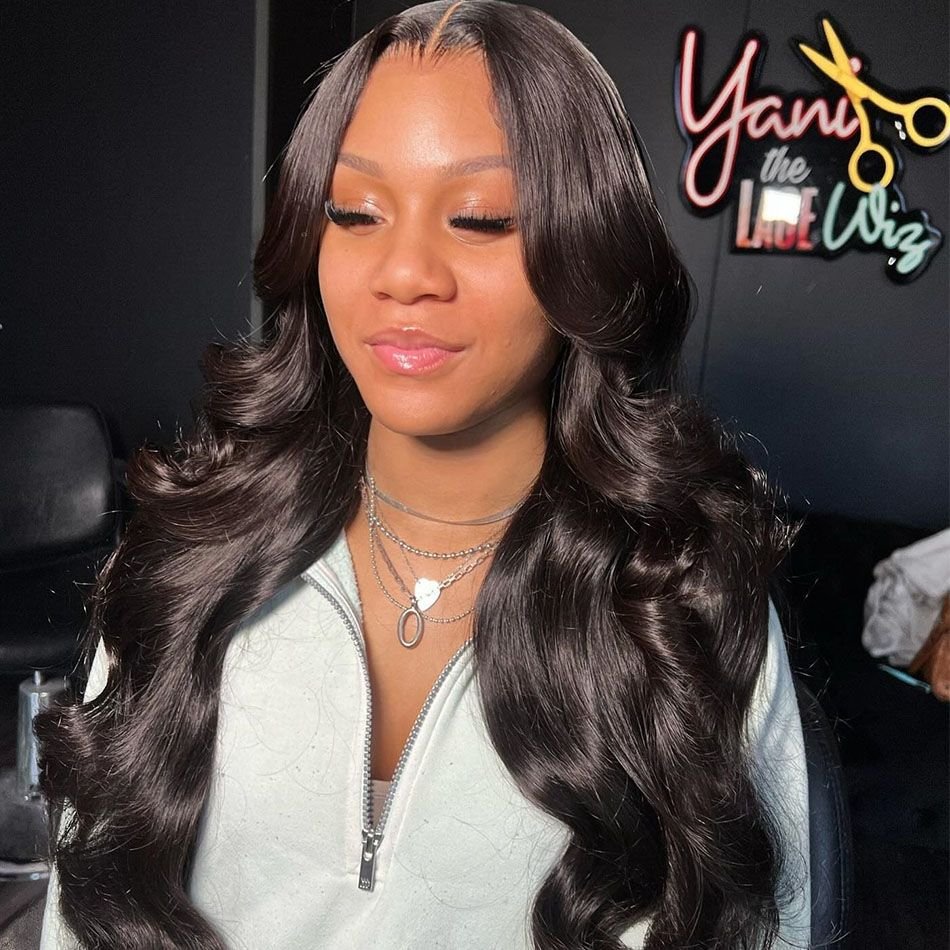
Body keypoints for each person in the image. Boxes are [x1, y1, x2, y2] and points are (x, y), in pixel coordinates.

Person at [37, 1, 812, 947]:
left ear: (586, 247)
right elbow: (83, 905)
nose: (403, 273)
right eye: (355, 213)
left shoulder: (679, 612)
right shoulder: (189, 562)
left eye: (480, 219)